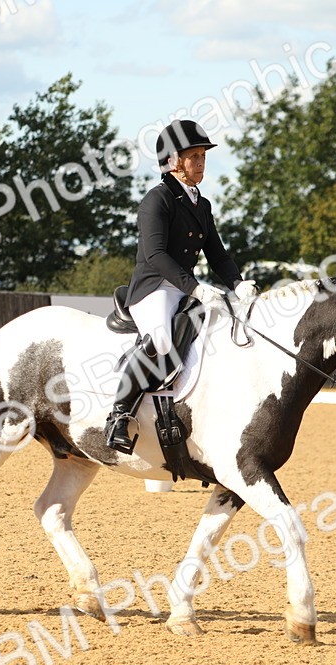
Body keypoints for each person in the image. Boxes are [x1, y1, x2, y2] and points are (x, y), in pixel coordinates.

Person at [103, 120, 257, 453]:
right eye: (195, 157)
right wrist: (196, 288)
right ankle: (118, 415)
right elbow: (155, 255)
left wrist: (238, 284)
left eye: (203, 156)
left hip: (184, 287)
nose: (201, 163)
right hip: (153, 287)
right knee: (160, 340)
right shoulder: (157, 200)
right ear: (174, 161)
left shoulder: (202, 205)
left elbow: (217, 254)